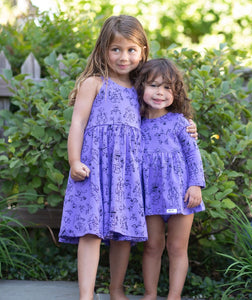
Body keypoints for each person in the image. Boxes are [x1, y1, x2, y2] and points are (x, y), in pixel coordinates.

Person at [58, 15, 197, 300]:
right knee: (91, 232)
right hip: (93, 169)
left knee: (121, 233)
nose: (123, 57)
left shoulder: (140, 89)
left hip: (126, 175)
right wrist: (74, 161)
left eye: (131, 49)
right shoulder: (94, 83)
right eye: (116, 49)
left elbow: (162, 119)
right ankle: (86, 294)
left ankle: (116, 288)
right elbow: (77, 124)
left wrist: (189, 126)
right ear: (103, 50)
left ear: (143, 51)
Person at [135, 58, 206, 300]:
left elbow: (193, 156)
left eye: (167, 88)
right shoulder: (135, 123)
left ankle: (173, 296)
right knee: (153, 246)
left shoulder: (180, 123)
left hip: (181, 194)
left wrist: (196, 185)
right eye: (154, 85)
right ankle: (150, 293)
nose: (160, 93)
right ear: (141, 86)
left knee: (177, 247)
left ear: (176, 93)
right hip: (150, 197)